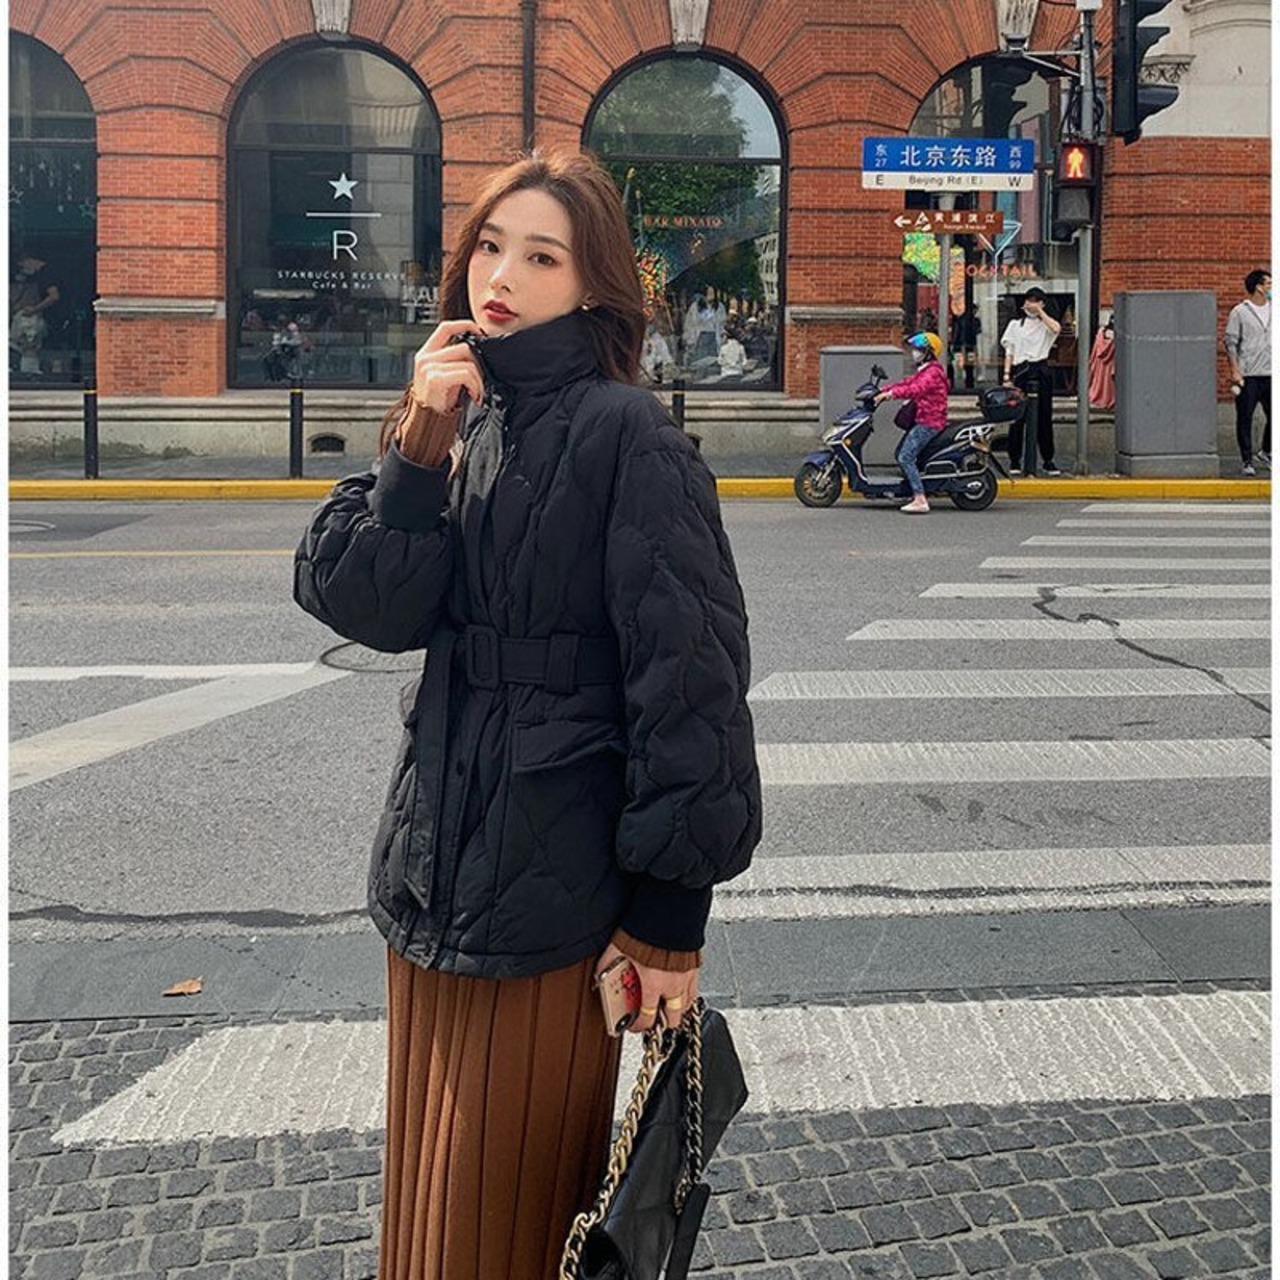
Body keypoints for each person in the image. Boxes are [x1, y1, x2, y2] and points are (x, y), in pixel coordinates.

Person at [293, 148, 762, 1280]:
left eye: (542, 256)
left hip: (557, 896)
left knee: (496, 1226)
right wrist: (418, 444)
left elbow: (691, 684)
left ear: (593, 284)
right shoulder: (461, 408)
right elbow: (364, 603)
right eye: (490, 247)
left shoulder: (629, 436)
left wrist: (669, 918)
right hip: (431, 871)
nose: (501, 276)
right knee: (422, 1212)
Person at [874, 330, 951, 513]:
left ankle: (920, 498)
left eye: (919, 350)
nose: (914, 352)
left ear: (929, 353)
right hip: (923, 419)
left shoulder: (932, 373)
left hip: (929, 422)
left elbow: (915, 389)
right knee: (900, 453)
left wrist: (890, 395)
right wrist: (882, 390)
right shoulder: (925, 370)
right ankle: (909, 489)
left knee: (905, 457)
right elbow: (907, 383)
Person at [1001, 286, 1062, 475]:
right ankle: (1015, 460)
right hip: (1021, 370)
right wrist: (1006, 376)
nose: (1031, 304)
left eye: (1035, 301)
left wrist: (1040, 312)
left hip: (1040, 368)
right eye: (1029, 300)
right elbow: (1009, 351)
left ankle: (1048, 459)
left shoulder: (1046, 325)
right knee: (1017, 416)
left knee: (1044, 416)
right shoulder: (1015, 325)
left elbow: (1056, 328)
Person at [1223, 268, 1271, 475]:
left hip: (1271, 373)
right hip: (1248, 374)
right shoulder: (1240, 312)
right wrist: (1235, 370)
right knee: (1245, 418)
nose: (1272, 287)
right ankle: (1247, 460)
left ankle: (1266, 451)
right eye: (1269, 283)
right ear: (1259, 287)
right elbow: (1231, 342)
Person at [10, 251, 61, 376]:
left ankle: (29, 371)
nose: (23, 268)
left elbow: (54, 296)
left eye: (23, 264)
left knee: (29, 342)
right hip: (29, 316)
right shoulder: (37, 275)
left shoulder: (46, 274)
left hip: (37, 317)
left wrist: (35, 309)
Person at [949, 304, 981, 389]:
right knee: (967, 365)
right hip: (966, 345)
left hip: (964, 345)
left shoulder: (965, 320)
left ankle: (966, 381)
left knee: (967, 364)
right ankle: (968, 382)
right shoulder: (969, 320)